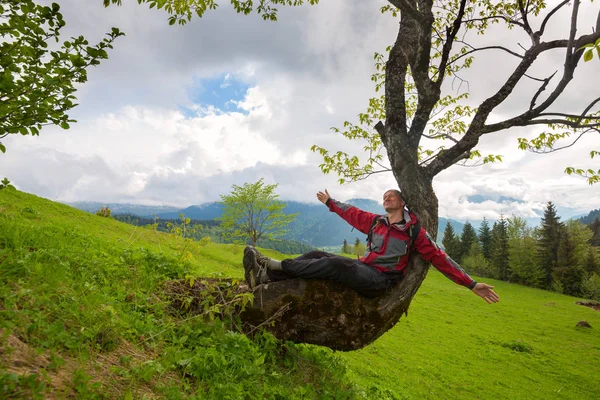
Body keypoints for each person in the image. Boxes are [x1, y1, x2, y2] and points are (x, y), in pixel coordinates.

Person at [243, 189, 499, 303]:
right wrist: (330, 202)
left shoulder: (414, 231)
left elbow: (440, 258)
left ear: (402, 202)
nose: (386, 199)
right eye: (384, 197)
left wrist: (471, 284)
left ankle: (272, 265)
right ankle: (266, 275)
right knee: (316, 254)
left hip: (380, 281)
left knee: (335, 262)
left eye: (391, 196)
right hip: (363, 269)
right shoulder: (377, 222)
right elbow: (351, 212)